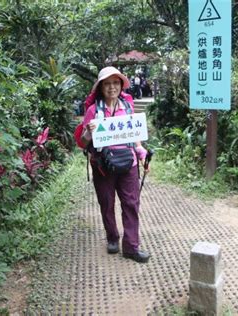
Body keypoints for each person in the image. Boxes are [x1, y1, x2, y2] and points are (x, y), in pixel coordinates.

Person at [80, 66, 151, 263]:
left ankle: (131, 246)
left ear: (121, 86)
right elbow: (82, 142)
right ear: (101, 87)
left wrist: (140, 151)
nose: (112, 87)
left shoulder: (127, 106)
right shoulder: (93, 111)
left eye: (116, 83)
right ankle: (112, 237)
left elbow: (134, 134)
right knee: (107, 202)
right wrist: (89, 132)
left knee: (131, 203)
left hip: (128, 163)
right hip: (103, 164)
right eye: (107, 84)